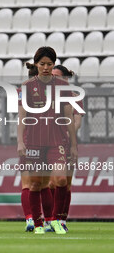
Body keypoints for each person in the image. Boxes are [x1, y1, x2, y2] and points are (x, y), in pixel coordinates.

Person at [17, 47, 78, 235]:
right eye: (42, 64)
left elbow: (68, 117)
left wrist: (73, 145)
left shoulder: (62, 86)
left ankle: (58, 220)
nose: (45, 67)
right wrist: (20, 141)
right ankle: (38, 224)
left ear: (53, 65)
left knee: (60, 180)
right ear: (36, 64)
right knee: (36, 183)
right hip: (34, 141)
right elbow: (21, 118)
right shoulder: (26, 87)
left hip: (57, 141)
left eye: (49, 64)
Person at [50, 64, 83, 232]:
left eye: (57, 76)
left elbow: (77, 120)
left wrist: (69, 135)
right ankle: (50, 218)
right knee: (49, 184)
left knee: (65, 183)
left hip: (66, 142)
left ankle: (62, 219)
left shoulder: (74, 96)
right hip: (47, 143)